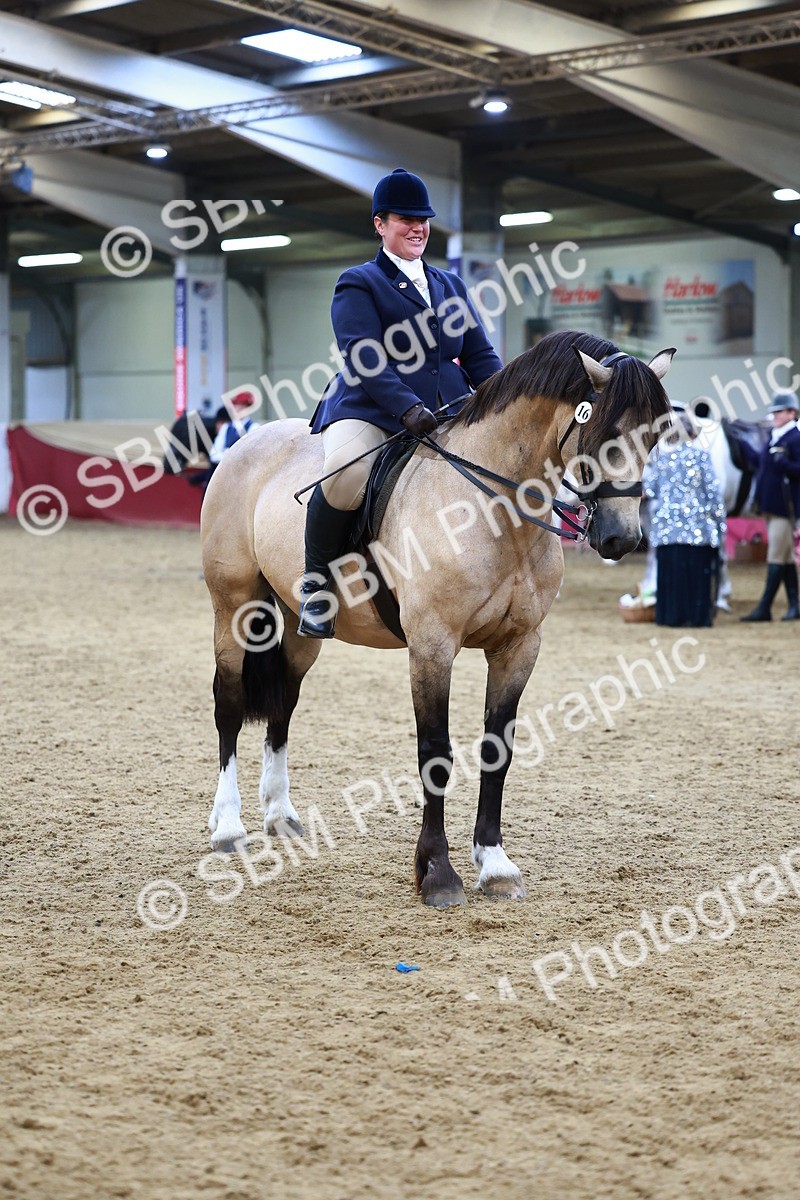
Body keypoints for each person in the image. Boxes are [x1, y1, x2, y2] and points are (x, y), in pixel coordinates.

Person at [298, 167, 503, 638]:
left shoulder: (450, 285)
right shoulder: (360, 281)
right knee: (348, 472)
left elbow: (478, 354)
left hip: (446, 411)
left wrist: (505, 399)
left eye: (424, 218)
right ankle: (316, 584)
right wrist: (407, 407)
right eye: (405, 218)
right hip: (371, 407)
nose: (418, 227)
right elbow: (365, 357)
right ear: (380, 223)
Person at [643, 411, 726, 627]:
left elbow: (650, 489)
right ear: (692, 434)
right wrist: (720, 524)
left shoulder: (662, 459)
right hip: (699, 529)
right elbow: (713, 495)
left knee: (670, 575)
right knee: (697, 576)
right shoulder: (702, 457)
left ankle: (670, 616)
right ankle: (697, 617)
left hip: (666, 530)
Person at [740, 390, 800, 622]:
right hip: (770, 505)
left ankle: (764, 607)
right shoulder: (775, 436)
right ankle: (794, 605)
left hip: (786, 508)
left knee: (775, 557)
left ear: (791, 413)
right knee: (784, 558)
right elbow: (761, 464)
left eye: (779, 411)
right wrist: (745, 447)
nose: (774, 415)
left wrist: (783, 462)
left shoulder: (794, 438)